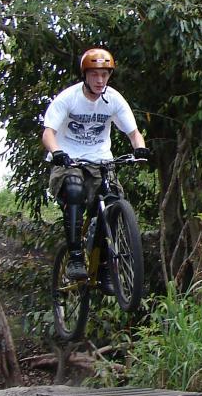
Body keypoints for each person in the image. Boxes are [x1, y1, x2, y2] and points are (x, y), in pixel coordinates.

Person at [42, 48, 149, 286]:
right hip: (69, 161)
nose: (100, 80)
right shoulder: (68, 98)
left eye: (104, 74)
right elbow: (48, 133)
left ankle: (105, 268)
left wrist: (139, 148)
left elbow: (133, 133)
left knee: (112, 202)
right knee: (73, 189)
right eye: (94, 75)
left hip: (101, 161)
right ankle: (76, 258)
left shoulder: (114, 99)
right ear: (85, 75)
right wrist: (56, 152)